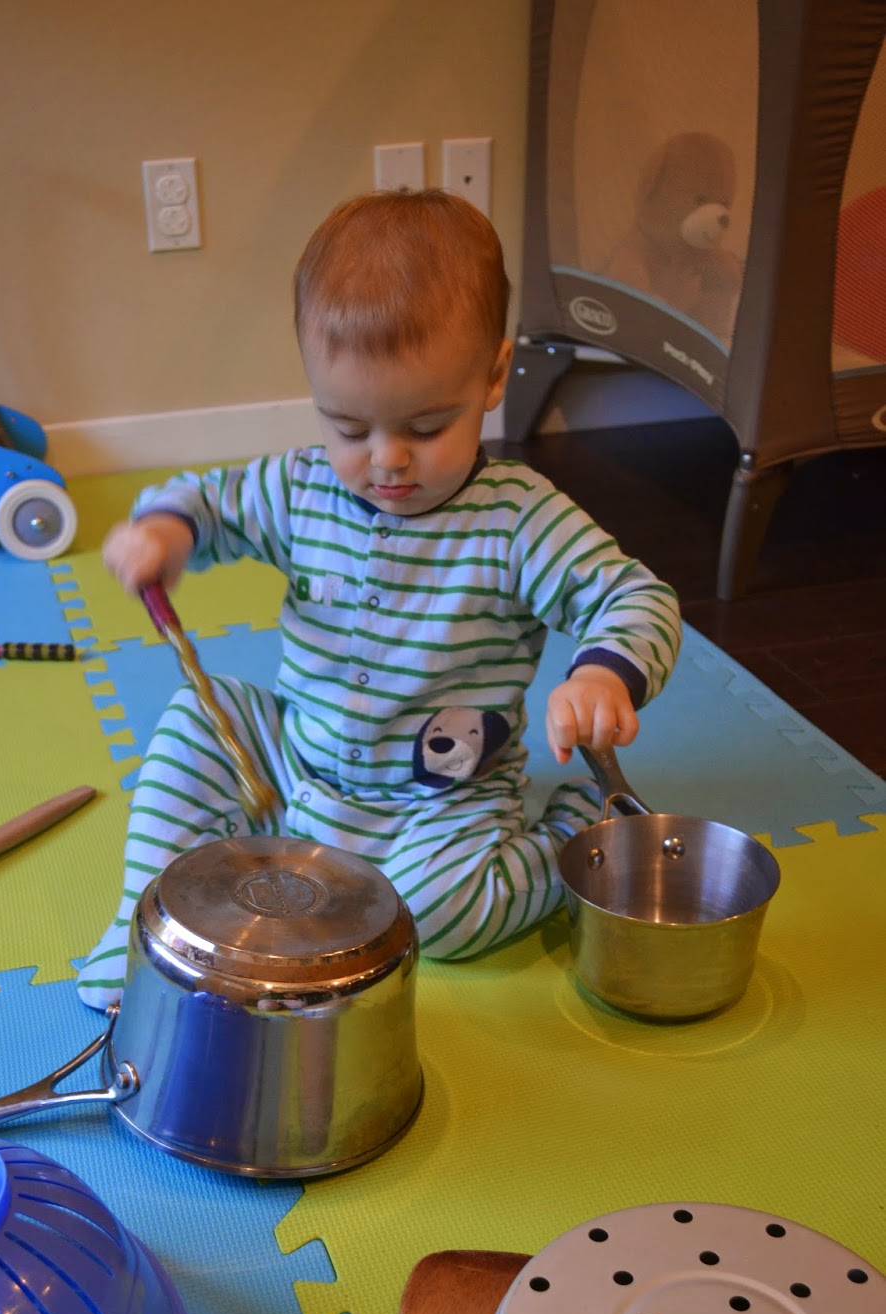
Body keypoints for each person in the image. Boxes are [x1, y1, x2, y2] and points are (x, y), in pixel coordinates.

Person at [77, 189, 681, 1010]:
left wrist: (604, 675)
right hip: (294, 761)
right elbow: (209, 500)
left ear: (495, 375)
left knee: (444, 919)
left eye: (428, 426)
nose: (387, 460)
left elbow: (634, 596)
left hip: (441, 797)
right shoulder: (299, 487)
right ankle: (144, 928)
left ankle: (581, 825)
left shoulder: (517, 517)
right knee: (194, 722)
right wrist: (166, 532)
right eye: (348, 428)